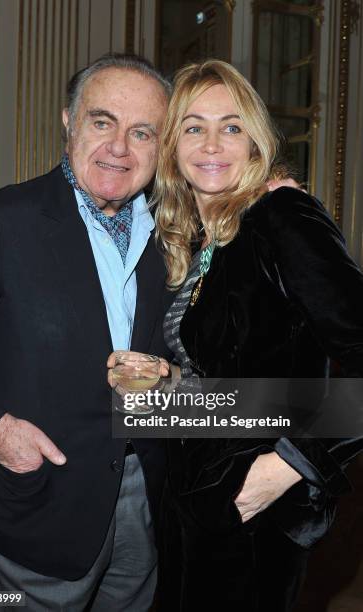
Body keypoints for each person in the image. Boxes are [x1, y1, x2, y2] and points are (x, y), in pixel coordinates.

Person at [110, 59, 363, 611]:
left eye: (232, 126)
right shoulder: (209, 237)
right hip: (195, 498)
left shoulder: (282, 216)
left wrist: (289, 465)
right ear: (174, 144)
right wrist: (171, 378)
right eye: (194, 126)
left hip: (253, 510)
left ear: (255, 140)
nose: (212, 143)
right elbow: (244, 370)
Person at [0, 54, 175, 612]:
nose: (120, 147)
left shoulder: (171, 236)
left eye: (142, 131)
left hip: (142, 502)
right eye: (103, 121)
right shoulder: (2, 220)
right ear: (68, 123)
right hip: (38, 500)